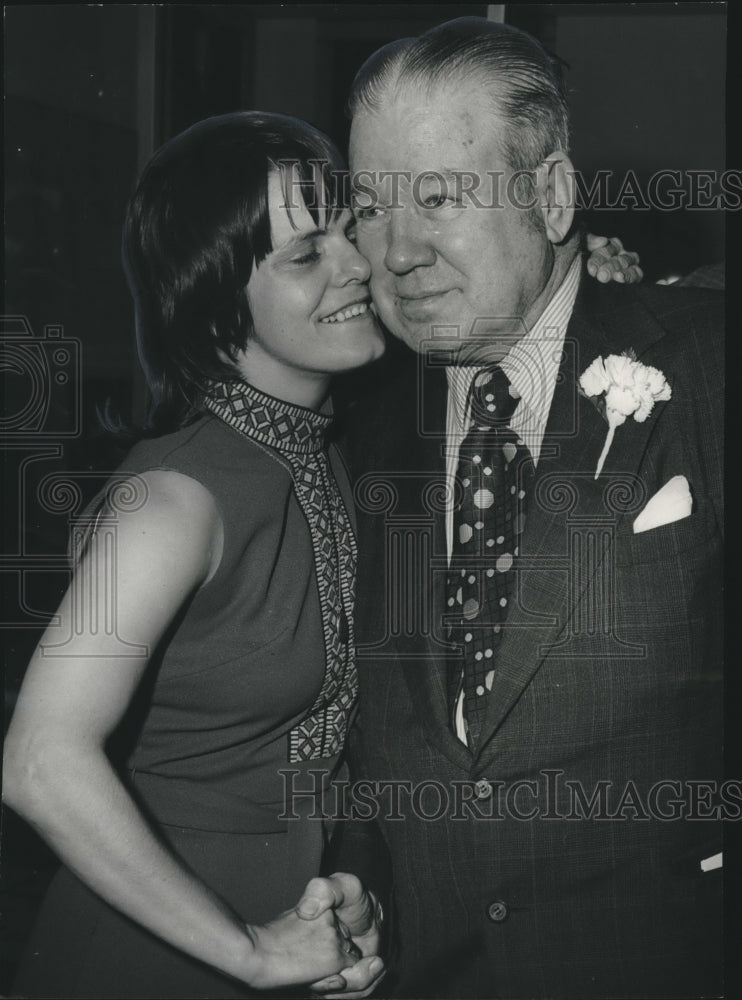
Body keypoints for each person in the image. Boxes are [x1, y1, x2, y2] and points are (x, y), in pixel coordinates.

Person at [307, 16, 724, 1000]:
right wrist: (362, 877)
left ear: (552, 195)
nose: (395, 251)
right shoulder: (359, 430)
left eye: (439, 198)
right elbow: (396, 741)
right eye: (369, 207)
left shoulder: (710, 364)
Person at [2, 111, 387, 999]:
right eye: (304, 255)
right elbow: (37, 761)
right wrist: (249, 950)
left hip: (297, 934)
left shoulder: (320, 449)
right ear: (215, 310)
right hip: (152, 955)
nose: (357, 264)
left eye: (347, 226)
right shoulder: (170, 501)